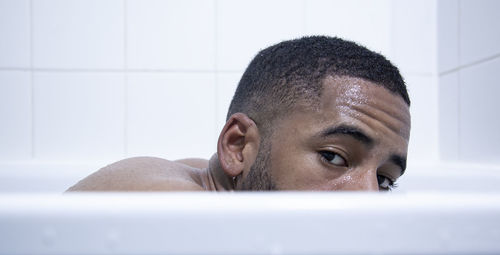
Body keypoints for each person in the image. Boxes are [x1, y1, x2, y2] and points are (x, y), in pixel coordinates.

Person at [67, 36, 410, 192]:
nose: (369, 199)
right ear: (238, 145)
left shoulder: (209, 178)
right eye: (334, 158)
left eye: (384, 180)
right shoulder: (165, 210)